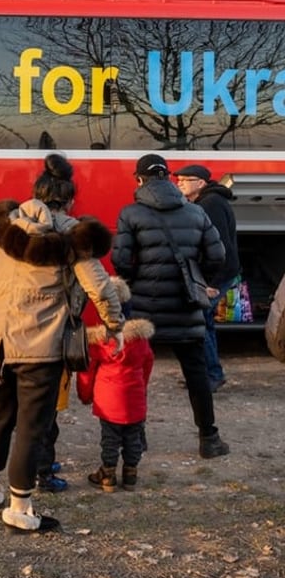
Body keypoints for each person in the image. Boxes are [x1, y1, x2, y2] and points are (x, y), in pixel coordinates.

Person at [0, 154, 124, 533]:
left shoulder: (5, 227)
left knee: (0, 417)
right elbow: (100, 288)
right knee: (32, 427)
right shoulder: (71, 238)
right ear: (68, 201)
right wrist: (114, 325)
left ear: (34, 194)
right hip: (40, 348)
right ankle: (20, 509)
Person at [112, 154, 229, 459]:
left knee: (136, 375)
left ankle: (137, 438)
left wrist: (138, 282)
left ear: (140, 180)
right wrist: (199, 277)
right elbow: (218, 255)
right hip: (186, 305)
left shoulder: (130, 213)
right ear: (168, 178)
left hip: (144, 310)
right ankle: (209, 438)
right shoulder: (196, 213)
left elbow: (121, 261)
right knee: (197, 373)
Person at [77, 276, 155, 492]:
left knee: (110, 438)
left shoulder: (101, 341)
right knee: (133, 437)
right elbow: (148, 363)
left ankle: (108, 474)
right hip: (135, 398)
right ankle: (130, 473)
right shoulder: (141, 339)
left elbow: (88, 371)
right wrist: (143, 387)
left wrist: (85, 394)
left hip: (108, 399)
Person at [173, 164, 240, 392]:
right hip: (212, 275)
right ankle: (205, 374)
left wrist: (212, 283)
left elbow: (221, 247)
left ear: (200, 183)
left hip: (215, 277)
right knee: (205, 323)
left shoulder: (210, 205)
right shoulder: (205, 202)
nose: (179, 183)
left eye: (184, 179)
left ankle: (211, 375)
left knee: (198, 323)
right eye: (178, 179)